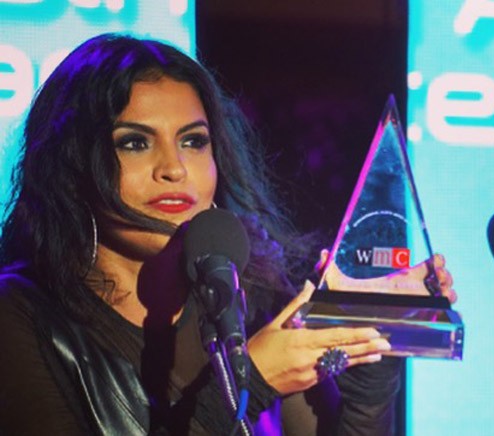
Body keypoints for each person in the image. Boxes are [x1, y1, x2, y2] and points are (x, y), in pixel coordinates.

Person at [0, 33, 456, 435]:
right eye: (135, 142)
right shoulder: (21, 317)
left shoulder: (251, 303)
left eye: (193, 141)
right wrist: (251, 383)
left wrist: (368, 373)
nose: (174, 169)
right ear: (73, 165)